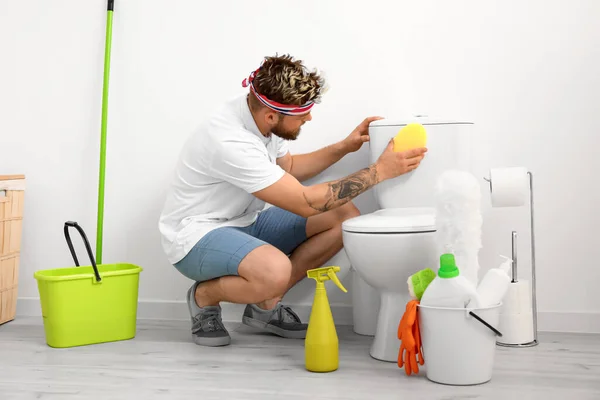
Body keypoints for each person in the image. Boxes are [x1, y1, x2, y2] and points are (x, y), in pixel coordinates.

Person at [158, 54, 427, 347]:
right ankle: (204, 297)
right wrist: (378, 172)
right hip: (197, 237)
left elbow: (289, 168)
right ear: (271, 117)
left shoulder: (260, 110)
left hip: (246, 221)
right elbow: (306, 203)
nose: (309, 118)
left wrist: (344, 147)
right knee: (275, 270)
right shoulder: (229, 141)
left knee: (344, 215)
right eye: (302, 115)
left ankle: (266, 305)